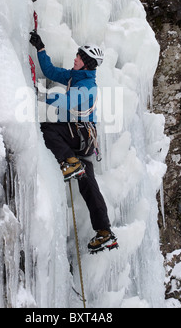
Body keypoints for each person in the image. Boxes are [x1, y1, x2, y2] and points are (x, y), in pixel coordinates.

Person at [30, 31, 118, 253]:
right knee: (89, 186)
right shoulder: (74, 77)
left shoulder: (88, 86)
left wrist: (40, 94)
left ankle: (70, 161)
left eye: (79, 57)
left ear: (86, 64)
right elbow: (50, 71)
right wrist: (41, 49)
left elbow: (66, 101)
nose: (75, 58)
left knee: (47, 127)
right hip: (82, 139)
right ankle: (104, 232)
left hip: (82, 135)